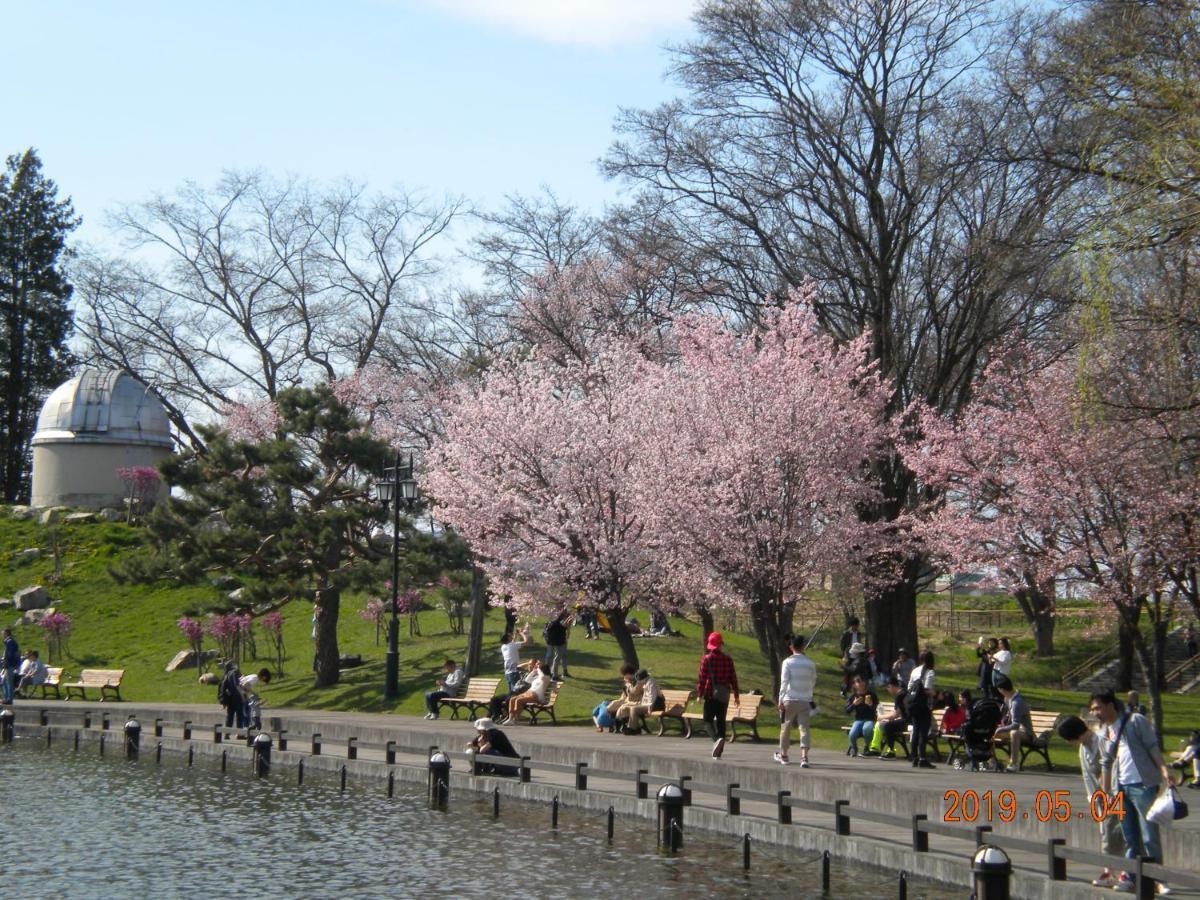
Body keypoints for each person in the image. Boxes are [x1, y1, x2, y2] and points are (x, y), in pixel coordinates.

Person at [1093, 689, 1175, 893]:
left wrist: (1164, 771)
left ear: (1110, 705)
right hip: (1119, 789)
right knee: (1129, 837)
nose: (1095, 712)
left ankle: (1157, 879)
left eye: (1098, 707)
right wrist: (1104, 793)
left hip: (1142, 785)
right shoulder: (1105, 731)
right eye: (1092, 709)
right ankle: (1130, 877)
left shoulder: (1136, 721)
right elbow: (1105, 763)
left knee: (1149, 835)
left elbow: (1152, 747)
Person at [1057, 714, 1127, 888]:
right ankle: (1110, 870)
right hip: (1100, 798)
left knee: (1120, 833)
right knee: (1106, 832)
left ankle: (1123, 872)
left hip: (1115, 794)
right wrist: (1094, 800)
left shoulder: (1102, 742)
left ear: (1075, 735)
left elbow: (1113, 769)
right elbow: (1087, 777)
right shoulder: (1083, 749)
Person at [775, 633, 816, 767]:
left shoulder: (787, 662)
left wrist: (780, 700)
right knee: (804, 728)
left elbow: (784, 682)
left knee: (786, 726)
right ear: (803, 646)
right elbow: (813, 681)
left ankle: (784, 754)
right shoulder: (810, 663)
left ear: (792, 647)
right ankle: (804, 757)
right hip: (805, 699)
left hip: (790, 699)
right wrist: (809, 695)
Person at [696, 631, 739, 759]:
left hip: (710, 694)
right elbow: (733, 678)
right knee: (721, 722)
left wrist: (699, 694)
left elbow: (702, 678)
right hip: (724, 695)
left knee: (707, 721)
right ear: (721, 645)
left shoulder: (706, 659)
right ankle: (718, 752)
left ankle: (716, 740)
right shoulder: (728, 659)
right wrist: (736, 695)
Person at [994, 676, 1033, 773]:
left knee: (1014, 733)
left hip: (1026, 733)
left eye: (999, 689)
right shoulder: (1008, 699)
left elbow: (1015, 725)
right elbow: (1008, 717)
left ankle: (1014, 764)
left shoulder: (1017, 702)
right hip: (1012, 729)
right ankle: (992, 760)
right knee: (991, 733)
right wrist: (1000, 726)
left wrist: (1001, 729)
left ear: (1002, 689)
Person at [907, 649, 937, 768]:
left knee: (915, 730)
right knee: (923, 732)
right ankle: (922, 758)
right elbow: (928, 689)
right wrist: (936, 694)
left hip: (913, 704)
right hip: (924, 705)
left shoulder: (915, 670)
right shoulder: (929, 672)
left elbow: (909, 686)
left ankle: (914, 756)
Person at [867, 676, 910, 758]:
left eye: (887, 688)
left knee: (887, 725)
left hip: (908, 722)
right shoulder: (903, 693)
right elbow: (898, 712)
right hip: (908, 720)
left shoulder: (900, 695)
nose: (887, 690)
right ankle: (878, 749)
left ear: (891, 686)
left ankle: (891, 751)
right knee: (886, 724)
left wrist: (882, 717)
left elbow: (895, 715)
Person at [507, 657, 552, 723]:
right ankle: (510, 718)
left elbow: (542, 677)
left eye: (539, 664)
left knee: (518, 701)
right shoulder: (537, 677)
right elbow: (527, 680)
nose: (537, 665)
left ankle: (516, 719)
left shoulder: (546, 678)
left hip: (536, 697)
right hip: (528, 693)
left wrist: (539, 669)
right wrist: (534, 671)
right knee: (512, 699)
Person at [617, 669, 661, 735]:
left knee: (634, 709)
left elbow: (652, 697)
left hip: (653, 705)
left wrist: (650, 708)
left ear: (644, 678)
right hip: (645, 704)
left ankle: (632, 728)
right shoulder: (645, 682)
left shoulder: (651, 683)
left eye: (640, 680)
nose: (639, 682)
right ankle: (633, 727)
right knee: (625, 707)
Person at [844, 675, 877, 757]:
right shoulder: (853, 696)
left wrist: (871, 705)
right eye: (858, 682)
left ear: (865, 683)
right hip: (859, 719)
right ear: (854, 685)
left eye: (862, 681)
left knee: (867, 728)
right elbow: (847, 711)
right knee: (852, 734)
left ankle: (866, 746)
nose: (860, 683)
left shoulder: (871, 695)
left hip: (870, 719)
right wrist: (854, 704)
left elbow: (877, 708)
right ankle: (854, 748)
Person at [542, 609, 572, 679]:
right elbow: (564, 625)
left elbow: (566, 629)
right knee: (553, 656)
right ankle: (551, 674)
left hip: (560, 640)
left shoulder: (562, 620)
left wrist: (568, 626)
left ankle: (562, 672)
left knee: (561, 655)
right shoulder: (557, 620)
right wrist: (567, 624)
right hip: (554, 640)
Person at [500, 625, 529, 691]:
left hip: (507, 672)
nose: (511, 635)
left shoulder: (503, 646)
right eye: (510, 636)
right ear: (508, 638)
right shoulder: (513, 645)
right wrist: (522, 633)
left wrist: (516, 634)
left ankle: (509, 700)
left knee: (511, 691)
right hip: (514, 672)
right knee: (516, 690)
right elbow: (526, 642)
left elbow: (512, 642)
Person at [218, 661, 245, 728]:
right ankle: (240, 733)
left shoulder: (227, 675)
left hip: (230, 698)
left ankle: (227, 732)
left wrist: (223, 700)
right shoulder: (235, 672)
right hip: (237, 697)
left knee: (230, 716)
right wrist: (242, 696)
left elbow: (223, 687)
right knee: (239, 715)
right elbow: (237, 685)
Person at [2, 628, 19, 705]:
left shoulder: (10, 642)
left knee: (9, 682)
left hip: (9, 665)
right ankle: (6, 698)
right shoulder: (10, 642)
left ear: (6, 634)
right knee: (5, 681)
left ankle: (9, 699)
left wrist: (6, 662)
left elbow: (10, 654)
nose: (2, 635)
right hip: (10, 664)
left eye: (3, 633)